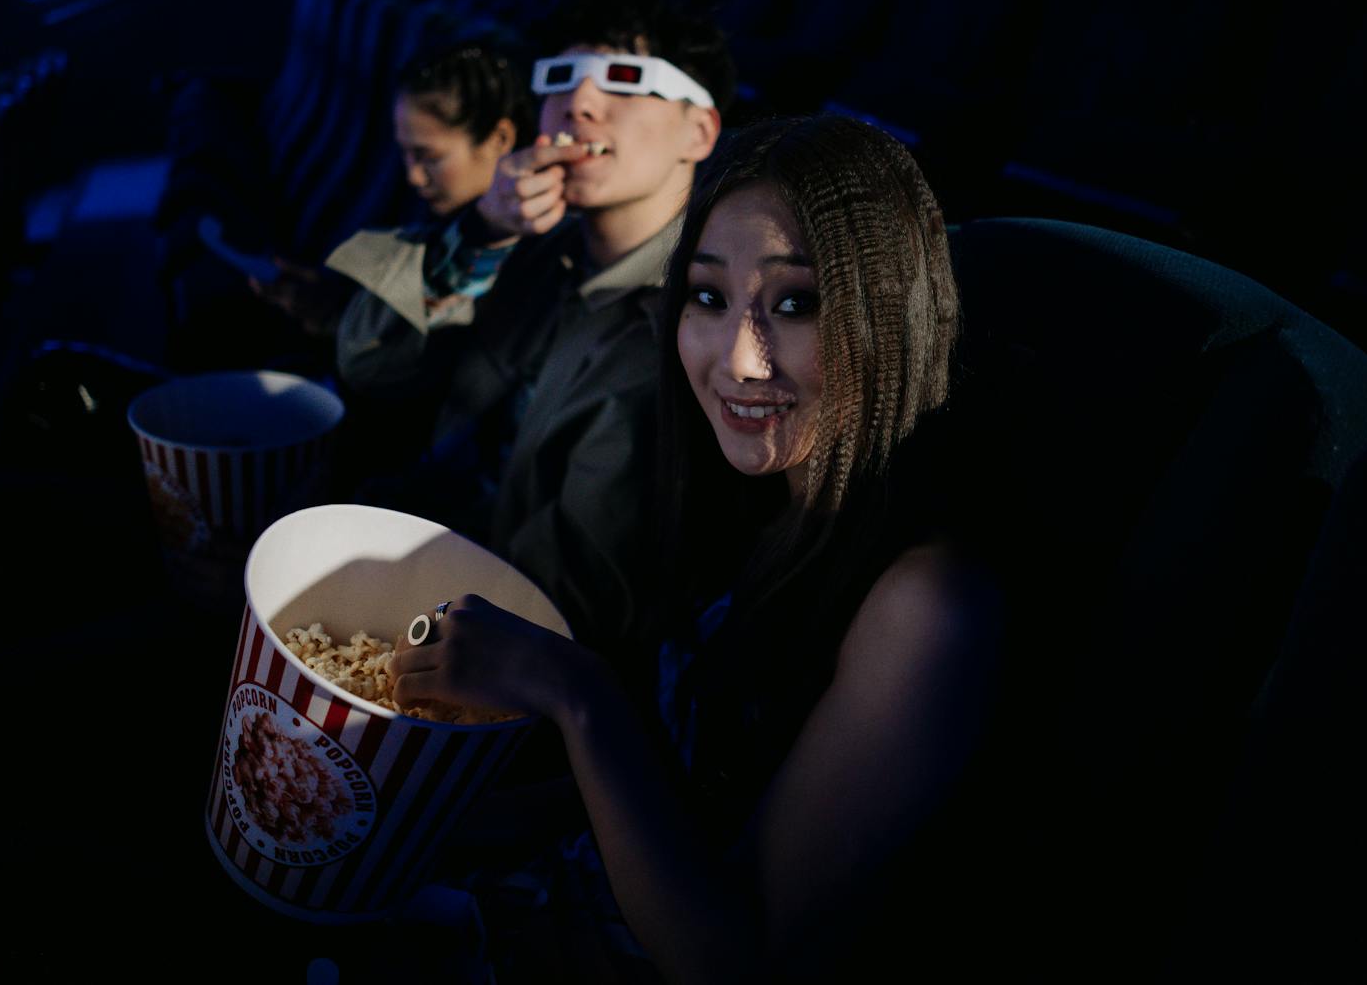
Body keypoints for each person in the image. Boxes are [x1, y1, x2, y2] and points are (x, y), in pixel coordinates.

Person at [389, 116, 1002, 980]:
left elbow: (736, 959)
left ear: (890, 312)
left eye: (796, 303)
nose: (739, 360)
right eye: (709, 297)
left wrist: (578, 692)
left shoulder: (928, 606)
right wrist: (429, 825)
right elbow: (675, 792)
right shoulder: (755, 503)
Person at [382, 0, 733, 661]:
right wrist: (480, 233)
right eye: (561, 78)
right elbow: (370, 364)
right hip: (418, 532)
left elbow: (577, 598)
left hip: (491, 642)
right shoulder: (524, 245)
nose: (580, 102)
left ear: (699, 131)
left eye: (625, 79)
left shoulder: (691, 328)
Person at [251, 40, 535, 476]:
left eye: (429, 156)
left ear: (500, 139)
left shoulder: (528, 252)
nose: (413, 176)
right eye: (405, 153)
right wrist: (328, 306)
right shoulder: (441, 222)